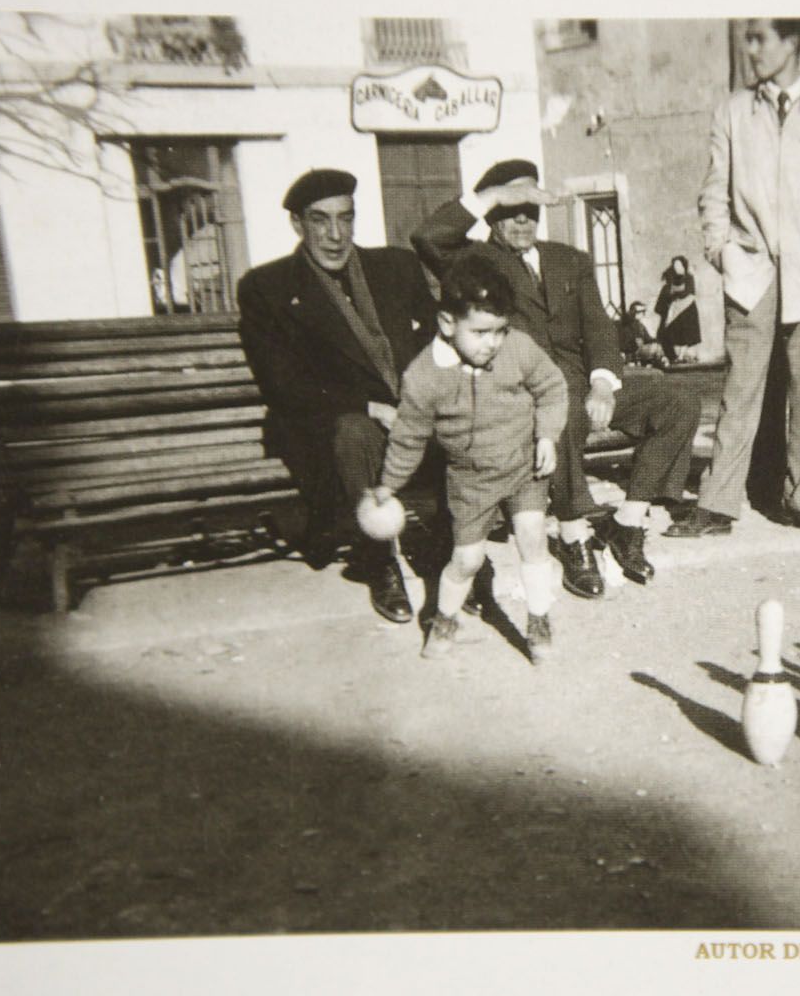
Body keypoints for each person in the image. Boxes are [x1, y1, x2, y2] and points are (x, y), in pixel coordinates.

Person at [411, 159, 703, 599]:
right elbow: (427, 237)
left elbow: (601, 327)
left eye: (532, 208)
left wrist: (604, 382)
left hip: (585, 387)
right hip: (520, 396)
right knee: (558, 403)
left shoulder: (570, 260)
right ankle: (572, 536)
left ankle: (628, 523)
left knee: (677, 399)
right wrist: (491, 196)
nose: (524, 219)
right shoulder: (473, 262)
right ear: (492, 213)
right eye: (512, 209)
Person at [666, 17, 800, 538]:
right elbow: (714, 193)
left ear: (792, 42)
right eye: (747, 39)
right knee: (741, 391)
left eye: (761, 39)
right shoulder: (732, 113)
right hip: (750, 271)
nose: (751, 50)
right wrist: (721, 250)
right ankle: (718, 505)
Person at [237, 169, 439, 623]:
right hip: (328, 424)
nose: (334, 234)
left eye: (345, 219)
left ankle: (462, 560)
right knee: (355, 433)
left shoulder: (395, 267)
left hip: (408, 410)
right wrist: (371, 406)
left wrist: (421, 397)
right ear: (297, 225)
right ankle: (380, 559)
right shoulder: (268, 288)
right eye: (320, 220)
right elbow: (283, 384)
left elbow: (437, 340)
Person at [367, 256, 568, 663]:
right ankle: (444, 617)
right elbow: (408, 436)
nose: (491, 343)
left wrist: (547, 434)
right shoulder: (424, 376)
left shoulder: (517, 348)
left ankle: (539, 619)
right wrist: (388, 485)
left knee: (533, 538)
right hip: (471, 480)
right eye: (480, 332)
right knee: (467, 559)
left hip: (523, 465)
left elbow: (552, 386)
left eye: (499, 331)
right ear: (446, 324)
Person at [653, 256, 702, 363]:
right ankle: (673, 356)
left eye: (679, 265)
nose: (677, 267)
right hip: (673, 311)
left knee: (687, 334)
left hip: (687, 311)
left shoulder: (689, 278)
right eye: (675, 265)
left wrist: (675, 292)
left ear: (684, 265)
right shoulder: (671, 279)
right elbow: (666, 296)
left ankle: (682, 356)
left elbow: (688, 292)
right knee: (668, 334)